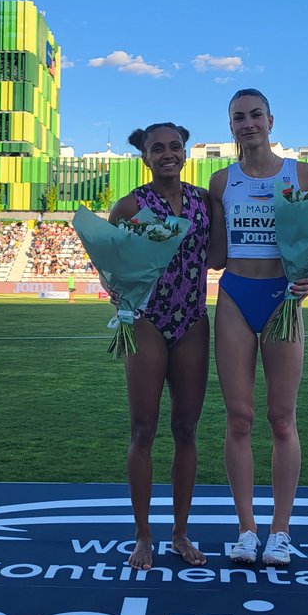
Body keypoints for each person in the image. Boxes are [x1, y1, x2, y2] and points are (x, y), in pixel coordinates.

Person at [208, 88, 308, 567]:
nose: (248, 123)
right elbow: (215, 256)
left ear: (271, 120)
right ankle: (246, 531)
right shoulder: (221, 181)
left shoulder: (303, 174)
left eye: (256, 114)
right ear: (230, 126)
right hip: (236, 295)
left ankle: (280, 531)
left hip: (282, 300)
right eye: (239, 117)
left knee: (282, 418)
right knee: (239, 418)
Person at [107, 122, 211, 570]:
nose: (167, 154)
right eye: (157, 148)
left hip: (192, 320)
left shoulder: (206, 201)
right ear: (144, 156)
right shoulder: (129, 205)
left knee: (186, 430)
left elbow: (221, 256)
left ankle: (180, 534)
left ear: (185, 150)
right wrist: (115, 287)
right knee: (143, 431)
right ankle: (143, 536)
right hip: (147, 321)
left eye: (175, 146)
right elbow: (108, 261)